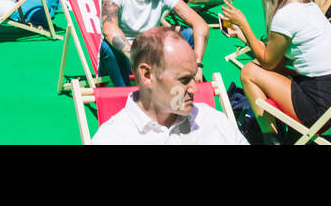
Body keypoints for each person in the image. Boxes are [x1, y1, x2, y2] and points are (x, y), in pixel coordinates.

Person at [221, 0, 331, 138]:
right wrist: (245, 37)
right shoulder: (309, 8)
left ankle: (271, 138)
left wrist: (244, 24)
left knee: (248, 72)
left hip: (321, 111)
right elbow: (274, 60)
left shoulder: (285, 16)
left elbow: (268, 63)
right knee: (261, 69)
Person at [91, 26, 246, 145]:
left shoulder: (214, 122)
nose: (195, 89)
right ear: (147, 76)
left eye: (193, 77)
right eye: (184, 80)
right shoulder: (115, 138)